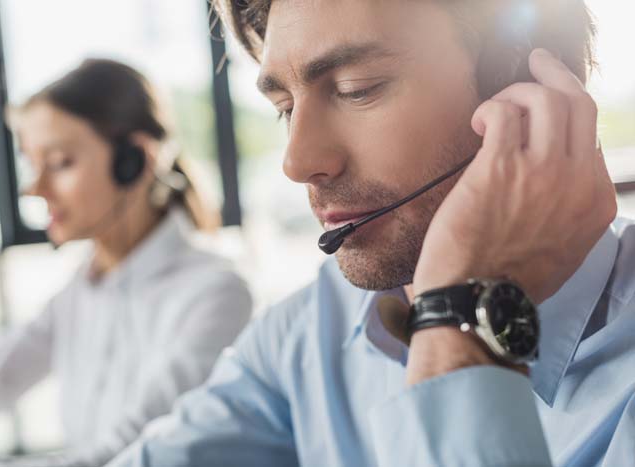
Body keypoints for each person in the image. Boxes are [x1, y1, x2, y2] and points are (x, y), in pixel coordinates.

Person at [101, 1, 635, 466]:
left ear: (522, 89)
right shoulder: (311, 333)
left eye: (358, 90)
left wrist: (458, 320)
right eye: (284, 108)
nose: (297, 162)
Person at [0, 59, 252, 466]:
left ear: (134, 160)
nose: (35, 188)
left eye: (60, 163)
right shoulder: (78, 293)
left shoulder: (216, 293)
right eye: (33, 164)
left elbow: (125, 455)